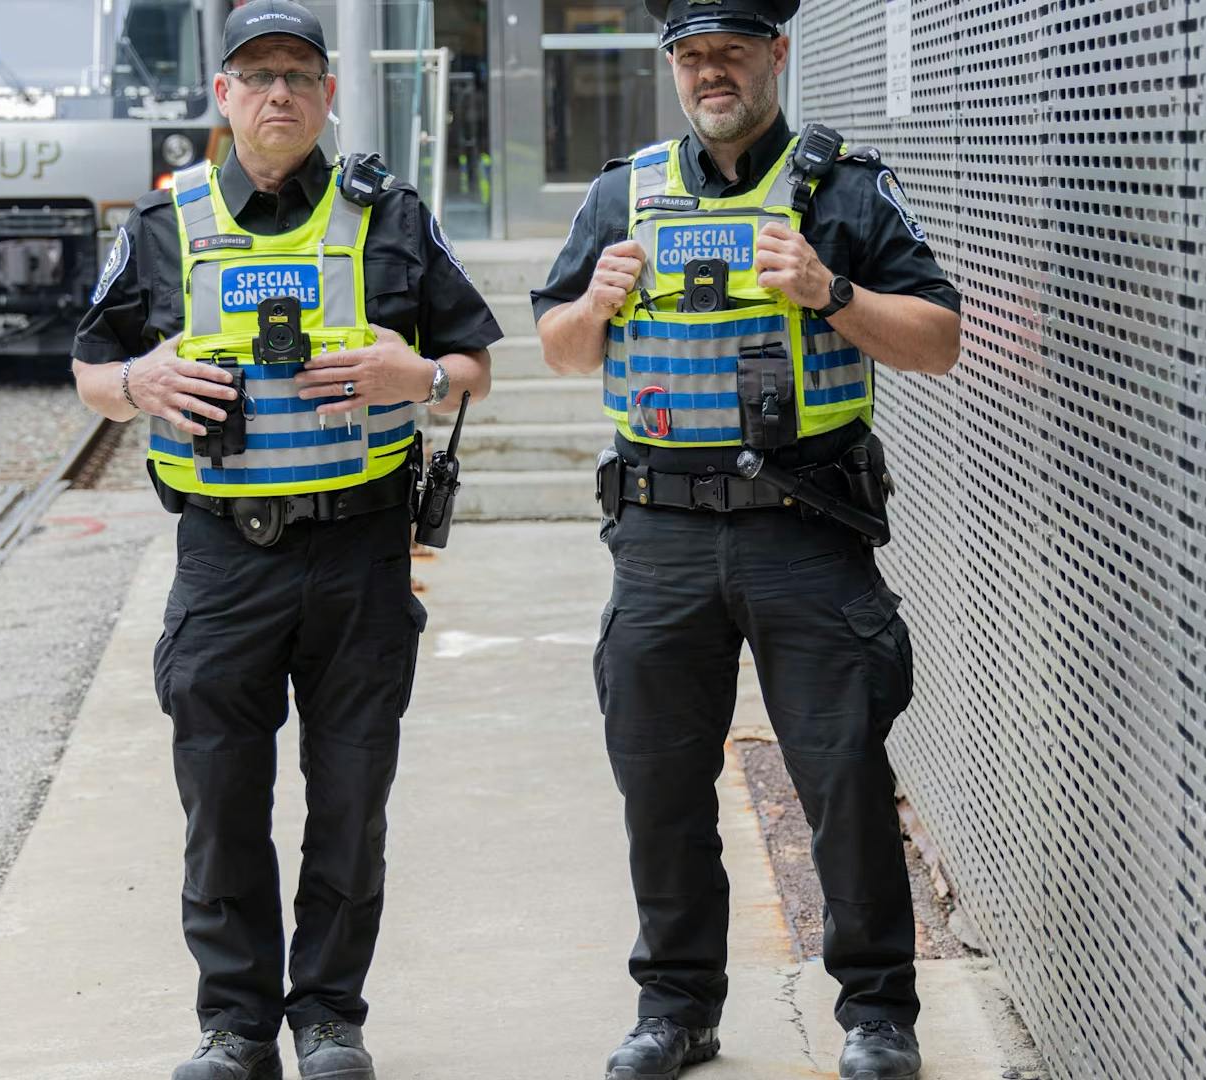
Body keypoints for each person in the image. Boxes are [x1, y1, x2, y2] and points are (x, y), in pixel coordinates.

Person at [530, 2, 962, 1077]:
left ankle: (876, 1017)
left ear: (777, 55)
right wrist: (595, 301)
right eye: (691, 57)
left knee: (843, 778)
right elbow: (561, 351)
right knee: (660, 783)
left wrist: (830, 289)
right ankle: (677, 1011)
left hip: (805, 529)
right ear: (671, 69)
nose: (710, 73)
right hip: (661, 536)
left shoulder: (845, 191)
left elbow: (940, 341)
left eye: (731, 52)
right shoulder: (620, 195)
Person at [70, 3, 499, 1077]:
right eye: (257, 77)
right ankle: (234, 1028)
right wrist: (135, 382)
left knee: (350, 799)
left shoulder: (391, 216)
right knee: (221, 801)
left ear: (327, 94)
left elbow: (476, 363)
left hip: (358, 556)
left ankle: (330, 1019)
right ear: (223, 96)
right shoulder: (164, 226)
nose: (278, 95)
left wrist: (426, 376)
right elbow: (89, 365)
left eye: (298, 77)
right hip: (224, 561)